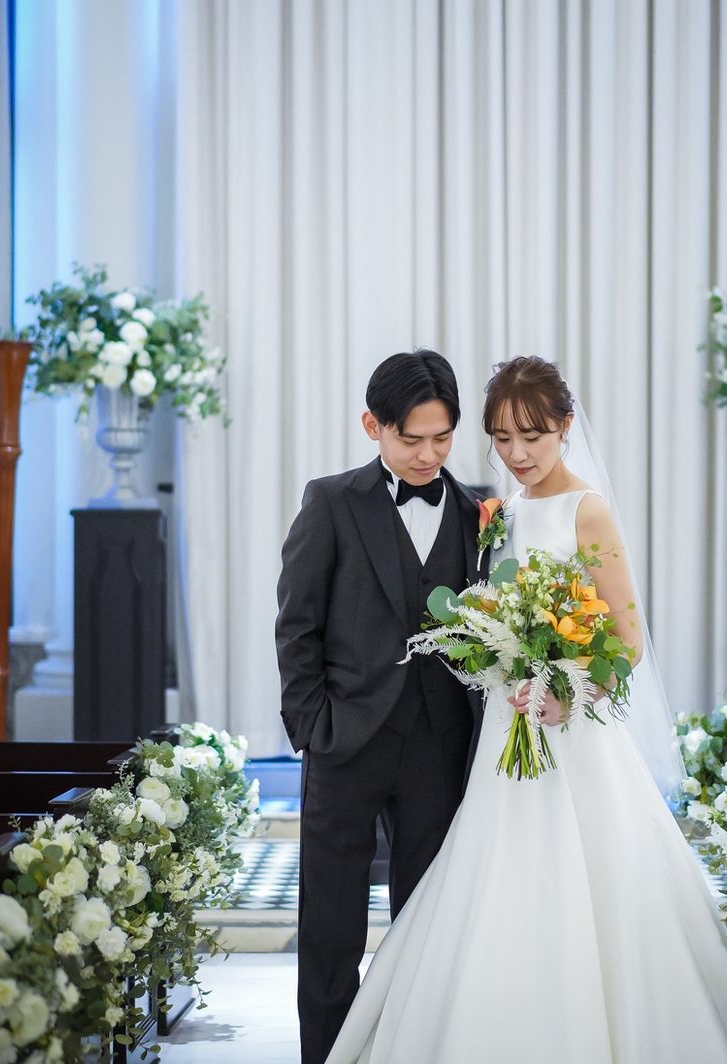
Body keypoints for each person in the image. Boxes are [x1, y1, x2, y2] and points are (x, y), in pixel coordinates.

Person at [325, 355, 727, 1064]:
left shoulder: (586, 510)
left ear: (566, 426)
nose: (518, 454)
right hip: (507, 726)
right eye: (502, 438)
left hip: (575, 735)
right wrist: (494, 657)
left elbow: (628, 641)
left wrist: (570, 692)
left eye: (532, 436)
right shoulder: (497, 514)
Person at [276, 350, 486, 1064]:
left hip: (440, 742)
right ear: (374, 426)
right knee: (331, 919)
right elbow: (296, 623)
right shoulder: (332, 501)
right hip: (346, 737)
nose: (428, 455)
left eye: (442, 438)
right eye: (411, 439)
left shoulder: (478, 514)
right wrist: (312, 726)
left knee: (426, 916)